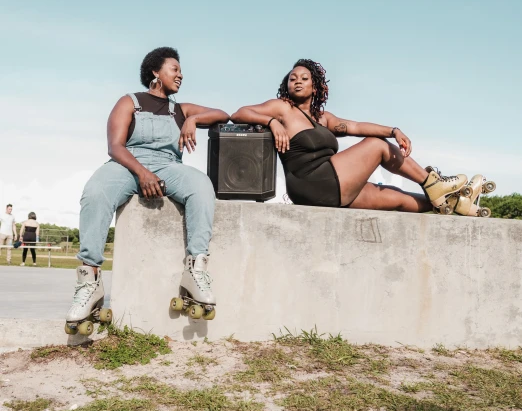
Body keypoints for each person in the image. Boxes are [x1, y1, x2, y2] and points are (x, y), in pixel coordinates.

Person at [66, 47, 229, 327]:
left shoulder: (181, 109)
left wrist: (192, 119)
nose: (180, 75)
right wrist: (142, 172)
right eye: (174, 69)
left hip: (168, 165)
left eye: (180, 70)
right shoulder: (130, 102)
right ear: (156, 72)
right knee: (96, 192)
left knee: (201, 185)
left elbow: (223, 114)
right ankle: (90, 279)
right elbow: (115, 146)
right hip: (127, 163)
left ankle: (196, 269)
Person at [231, 59, 489, 215]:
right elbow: (239, 113)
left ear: (315, 86)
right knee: (377, 147)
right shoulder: (282, 108)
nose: (296, 82)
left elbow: (356, 126)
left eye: (304, 78)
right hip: (312, 181)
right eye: (292, 78)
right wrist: (272, 122)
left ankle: (451, 205)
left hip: (332, 186)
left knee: (396, 197)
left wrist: (393, 130)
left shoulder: (324, 118)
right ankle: (435, 183)